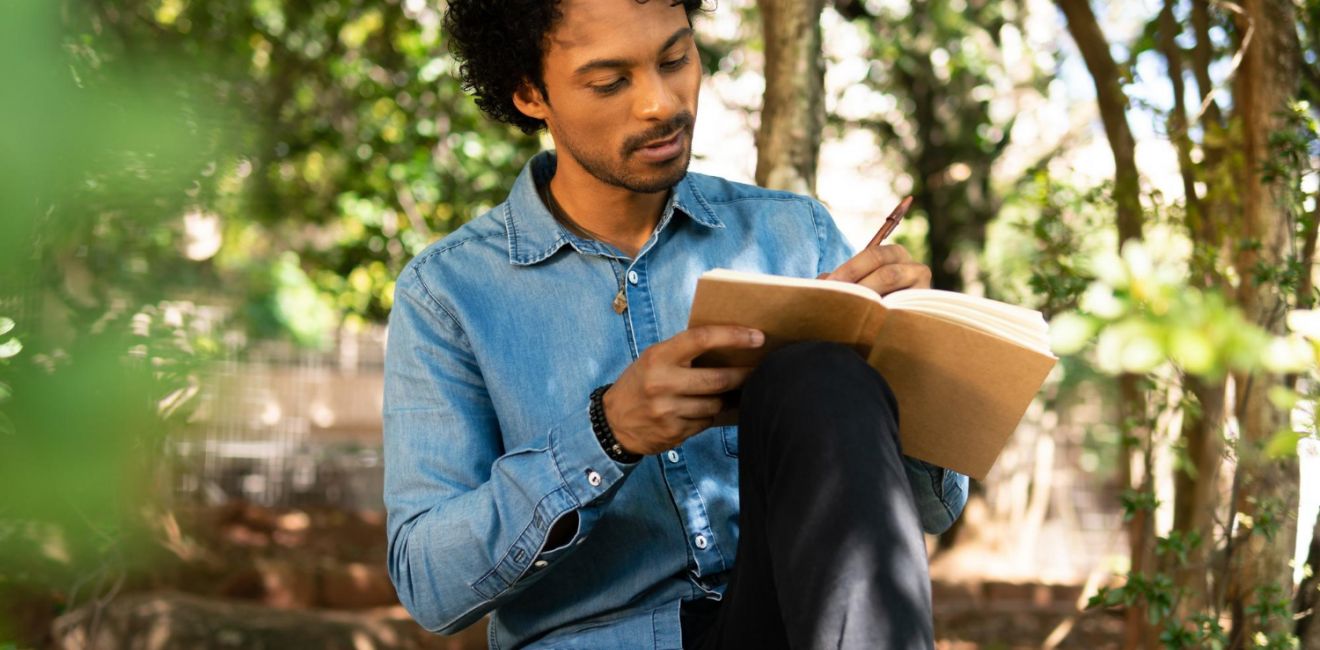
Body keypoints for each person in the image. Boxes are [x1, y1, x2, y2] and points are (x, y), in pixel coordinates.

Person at [383, 1, 969, 648]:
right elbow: (429, 588)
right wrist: (607, 434)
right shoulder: (447, 294)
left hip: (795, 626)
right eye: (610, 82)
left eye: (676, 59)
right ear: (529, 94)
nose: (662, 103)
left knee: (821, 374)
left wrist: (902, 362)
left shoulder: (795, 236)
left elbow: (932, 510)